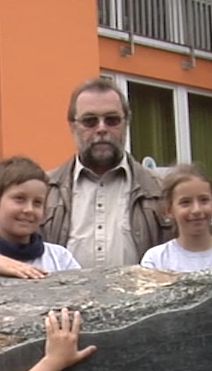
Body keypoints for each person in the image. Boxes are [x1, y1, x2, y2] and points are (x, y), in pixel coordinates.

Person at [41, 77, 172, 268]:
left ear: (126, 122)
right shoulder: (44, 191)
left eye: (111, 120)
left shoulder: (161, 190)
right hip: (65, 298)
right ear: (72, 126)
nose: (101, 128)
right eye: (90, 121)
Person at [140, 164, 212, 272]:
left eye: (204, 200)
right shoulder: (156, 259)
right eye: (185, 202)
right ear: (169, 209)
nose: (196, 210)